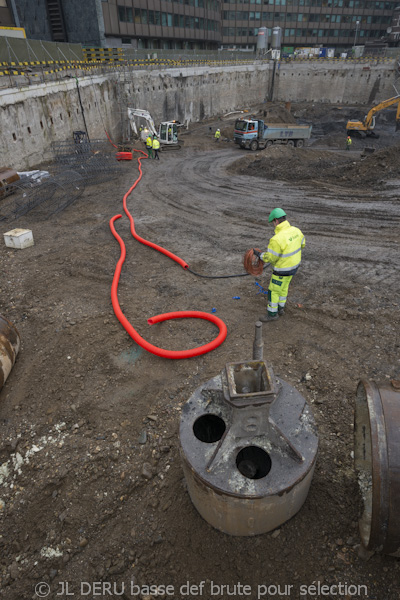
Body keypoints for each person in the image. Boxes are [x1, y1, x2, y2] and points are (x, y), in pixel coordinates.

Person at [253, 208, 305, 322]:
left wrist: (260, 255)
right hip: (294, 267)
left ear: (276, 221)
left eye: (273, 222)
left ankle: (272, 314)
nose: (273, 225)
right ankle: (281, 308)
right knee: (284, 287)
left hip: (282, 270)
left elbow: (270, 258)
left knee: (274, 291)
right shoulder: (296, 231)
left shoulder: (276, 239)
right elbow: (302, 245)